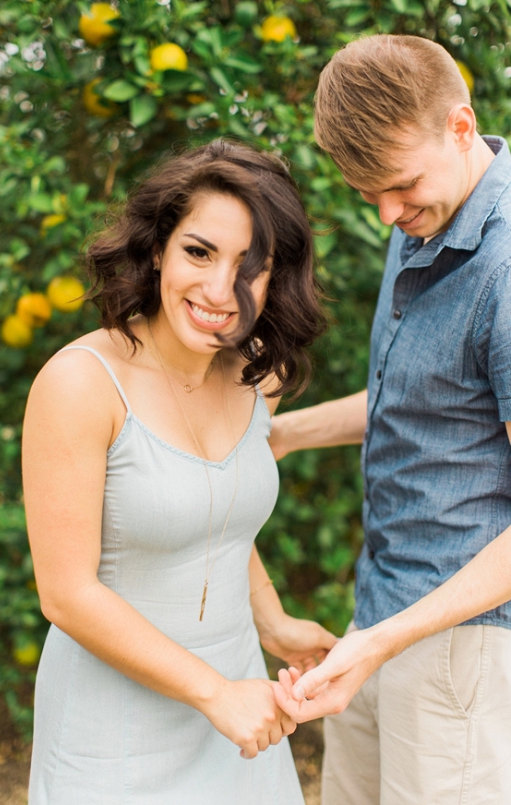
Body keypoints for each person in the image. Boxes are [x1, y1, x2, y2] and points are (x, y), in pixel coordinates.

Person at [23, 138, 336, 805]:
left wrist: (273, 623)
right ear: (159, 246)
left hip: (241, 702)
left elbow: (214, 513)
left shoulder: (259, 374)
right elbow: (66, 594)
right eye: (200, 252)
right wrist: (212, 692)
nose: (220, 290)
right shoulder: (80, 384)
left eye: (249, 267)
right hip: (113, 729)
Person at [271, 34, 511, 805]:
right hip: (377, 622)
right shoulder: (426, 215)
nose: (386, 214)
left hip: (458, 648)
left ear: (462, 126)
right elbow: (428, 404)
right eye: (365, 191)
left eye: (400, 186)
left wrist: (386, 640)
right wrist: (282, 435)